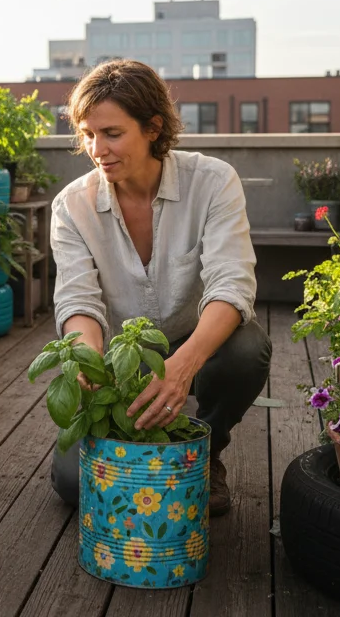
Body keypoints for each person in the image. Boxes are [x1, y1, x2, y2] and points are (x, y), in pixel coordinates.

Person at [47, 59, 271, 517]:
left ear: (152, 127)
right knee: (74, 485)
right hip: (122, 353)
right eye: (87, 134)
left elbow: (232, 283)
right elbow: (78, 298)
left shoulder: (212, 182)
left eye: (111, 133)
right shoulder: (71, 206)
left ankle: (204, 453)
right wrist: (88, 358)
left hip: (197, 336)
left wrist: (182, 366)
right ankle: (144, 454)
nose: (96, 149)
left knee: (248, 348)